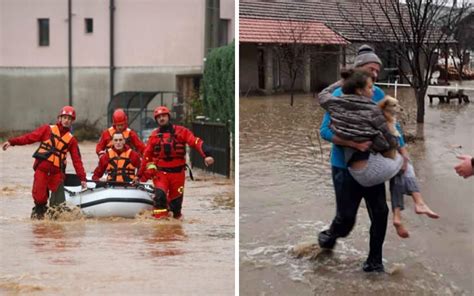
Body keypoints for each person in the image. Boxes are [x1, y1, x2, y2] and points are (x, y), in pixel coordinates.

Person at [319, 69, 439, 239]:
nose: (373, 90)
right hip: (368, 171)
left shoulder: (334, 103)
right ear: (360, 89)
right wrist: (386, 146)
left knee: (378, 211)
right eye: (369, 86)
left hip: (353, 169)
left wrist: (344, 80)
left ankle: (401, 215)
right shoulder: (372, 110)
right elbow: (389, 141)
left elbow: (323, 94)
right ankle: (415, 204)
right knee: (405, 163)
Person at [318, 45, 398, 272]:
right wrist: (352, 143)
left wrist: (401, 154)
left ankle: (374, 263)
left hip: (371, 167)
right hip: (344, 168)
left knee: (381, 213)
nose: (375, 74)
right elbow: (324, 131)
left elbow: (392, 127)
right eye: (371, 69)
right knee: (346, 220)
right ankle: (328, 238)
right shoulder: (338, 96)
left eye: (377, 70)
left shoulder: (379, 94)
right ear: (358, 70)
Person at [2, 106, 87, 219]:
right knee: (40, 200)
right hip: (42, 170)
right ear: (60, 118)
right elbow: (29, 138)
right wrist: (12, 142)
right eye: (65, 117)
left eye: (69, 118)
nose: (67, 120)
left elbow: (77, 161)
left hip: (57, 174)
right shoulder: (47, 130)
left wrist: (82, 179)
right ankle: (40, 226)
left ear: (72, 121)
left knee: (58, 207)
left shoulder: (72, 140)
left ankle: (55, 230)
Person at [138, 106, 214, 219]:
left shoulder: (182, 131)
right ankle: (160, 226)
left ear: (168, 116)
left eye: (163, 116)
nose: (161, 119)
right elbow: (147, 156)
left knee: (176, 206)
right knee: (160, 196)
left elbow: (195, 142)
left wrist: (207, 155)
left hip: (178, 174)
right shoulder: (154, 136)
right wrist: (140, 176)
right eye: (158, 117)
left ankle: (174, 228)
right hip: (160, 173)